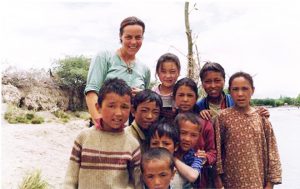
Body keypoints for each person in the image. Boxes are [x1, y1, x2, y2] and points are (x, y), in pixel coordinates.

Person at [64, 78, 142, 189]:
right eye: (111, 106)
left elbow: (135, 183)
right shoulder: (83, 137)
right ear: (98, 107)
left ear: (131, 109)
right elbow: (70, 179)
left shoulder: (132, 144)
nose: (118, 113)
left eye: (124, 107)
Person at [214, 71, 282, 188]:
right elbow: (217, 152)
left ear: (252, 90)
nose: (240, 94)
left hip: (257, 181)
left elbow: (273, 152)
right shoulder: (222, 117)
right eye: (235, 89)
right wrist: (219, 181)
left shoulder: (261, 118)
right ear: (230, 91)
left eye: (245, 89)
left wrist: (270, 183)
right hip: (230, 182)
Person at [85, 16, 150, 124]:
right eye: (128, 37)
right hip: (104, 124)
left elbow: (145, 104)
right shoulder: (104, 57)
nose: (133, 42)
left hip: (133, 131)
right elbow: (91, 92)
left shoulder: (145, 69)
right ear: (121, 37)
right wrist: (100, 124)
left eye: (138, 37)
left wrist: (142, 95)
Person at [173, 77, 217, 188]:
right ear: (174, 98)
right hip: (172, 176)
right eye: (181, 95)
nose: (185, 99)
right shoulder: (169, 122)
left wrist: (205, 156)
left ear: (196, 98)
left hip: (199, 179)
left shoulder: (205, 123)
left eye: (190, 95)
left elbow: (213, 152)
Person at [197, 61, 269, 121]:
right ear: (202, 84)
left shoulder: (235, 100)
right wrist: (201, 115)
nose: (213, 86)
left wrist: (260, 112)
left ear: (224, 81)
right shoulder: (198, 106)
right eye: (208, 81)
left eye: (217, 80)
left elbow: (249, 112)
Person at [148, 120, 199, 189]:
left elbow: (193, 176)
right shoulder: (145, 166)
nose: (160, 147)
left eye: (166, 144)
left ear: (176, 146)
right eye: (155, 143)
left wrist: (172, 158)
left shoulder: (180, 173)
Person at [125, 89, 162, 154]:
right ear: (133, 111)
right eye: (144, 111)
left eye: (155, 112)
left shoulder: (157, 136)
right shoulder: (126, 136)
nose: (149, 116)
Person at [174, 113, 204, 188]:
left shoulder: (197, 157)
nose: (187, 139)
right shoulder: (166, 149)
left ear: (198, 137)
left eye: (193, 135)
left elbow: (193, 176)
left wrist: (172, 159)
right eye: (183, 133)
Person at [152, 53, 180, 122]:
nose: (168, 76)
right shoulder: (153, 92)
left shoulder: (181, 93)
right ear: (158, 73)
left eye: (172, 72)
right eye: (163, 72)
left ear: (178, 72)